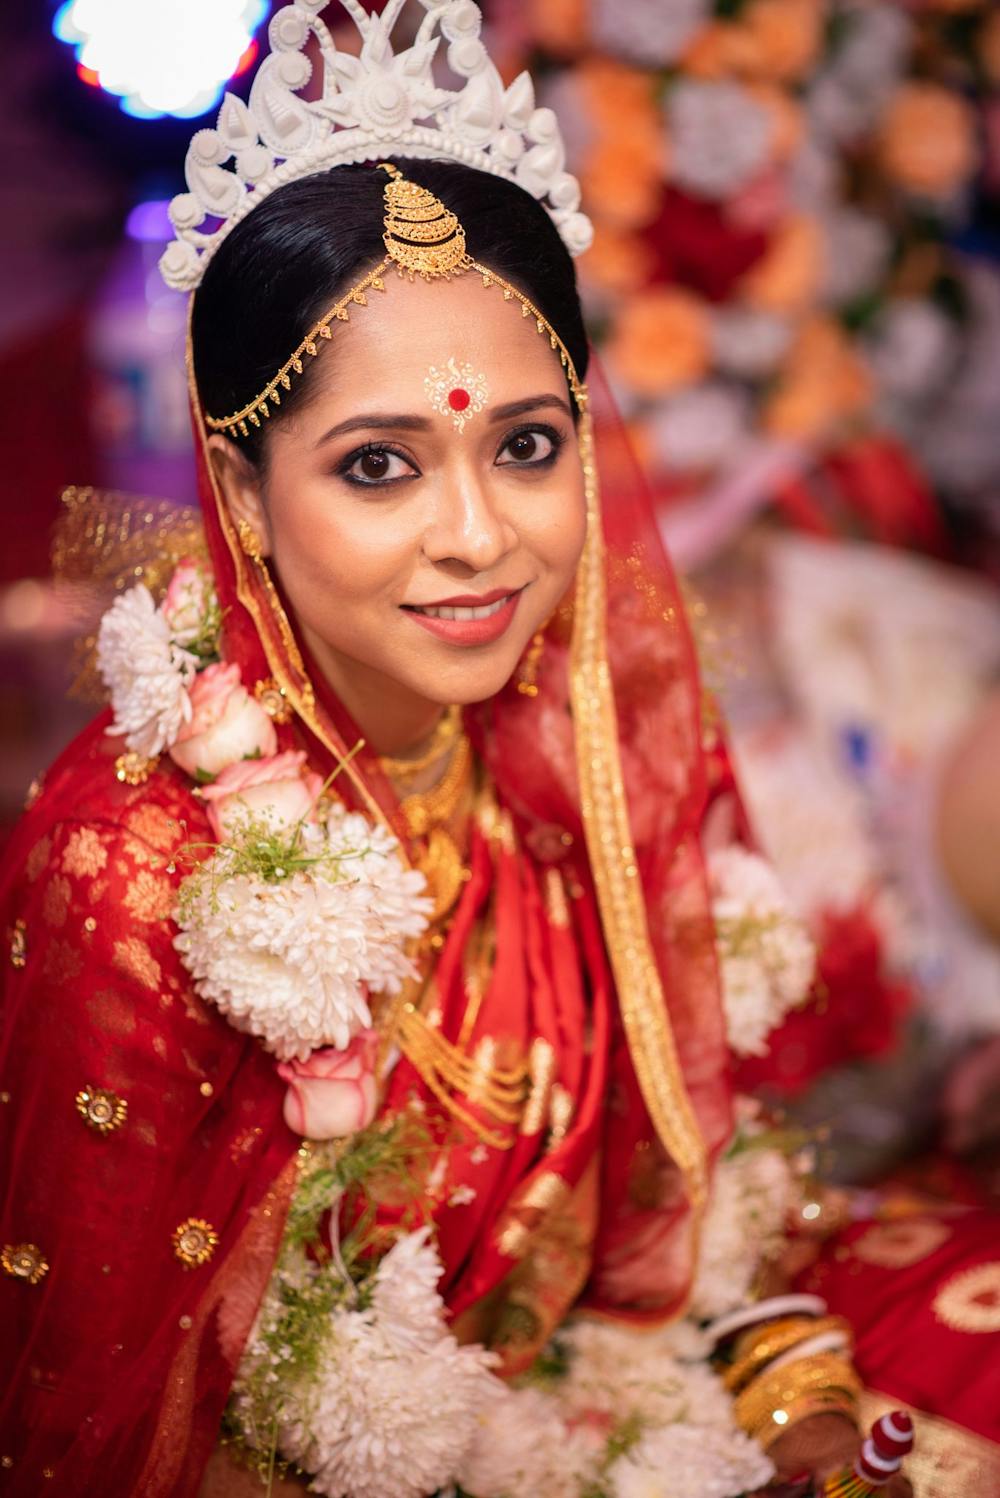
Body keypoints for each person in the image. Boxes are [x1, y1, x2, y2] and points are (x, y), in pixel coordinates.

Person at [0, 4, 917, 1494]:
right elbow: (114, 1440)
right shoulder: (137, 866)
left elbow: (681, 1234)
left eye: (528, 444)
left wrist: (779, 1399)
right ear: (239, 494)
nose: (482, 535)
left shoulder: (580, 749)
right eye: (381, 465)